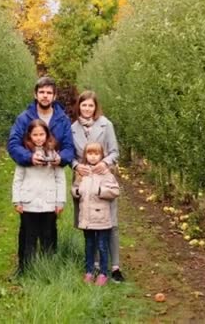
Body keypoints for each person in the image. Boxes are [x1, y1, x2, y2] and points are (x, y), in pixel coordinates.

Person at [7, 76, 73, 272]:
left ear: (54, 96)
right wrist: (29, 157)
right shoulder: (24, 118)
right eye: (42, 92)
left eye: (49, 92)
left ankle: (47, 268)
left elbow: (69, 147)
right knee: (27, 229)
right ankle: (24, 268)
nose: (45, 96)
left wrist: (61, 159)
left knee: (49, 228)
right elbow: (13, 144)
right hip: (31, 180)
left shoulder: (62, 119)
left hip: (51, 178)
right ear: (35, 94)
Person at [71, 90, 125, 283]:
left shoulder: (105, 124)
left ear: (96, 107)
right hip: (83, 179)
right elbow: (71, 154)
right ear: (79, 106)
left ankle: (115, 266)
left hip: (103, 178)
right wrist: (77, 166)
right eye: (83, 105)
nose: (87, 109)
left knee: (110, 221)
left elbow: (114, 151)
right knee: (88, 221)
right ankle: (94, 265)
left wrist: (105, 163)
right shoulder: (73, 128)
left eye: (90, 105)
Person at [12, 119, 66, 274]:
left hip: (49, 202)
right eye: (35, 134)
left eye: (41, 134)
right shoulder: (24, 154)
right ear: (29, 136)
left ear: (47, 135)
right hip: (29, 202)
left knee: (48, 235)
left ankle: (47, 269)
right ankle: (27, 269)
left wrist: (60, 201)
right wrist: (17, 200)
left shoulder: (54, 154)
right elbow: (18, 179)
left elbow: (60, 178)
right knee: (29, 237)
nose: (38, 138)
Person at [72, 142, 120, 286]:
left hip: (101, 218)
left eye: (96, 154)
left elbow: (115, 191)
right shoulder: (82, 173)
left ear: (101, 156)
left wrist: (101, 191)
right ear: (85, 155)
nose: (93, 157)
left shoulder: (106, 173)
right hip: (87, 218)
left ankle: (103, 273)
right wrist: (77, 192)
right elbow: (74, 188)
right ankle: (89, 271)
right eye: (90, 154)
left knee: (102, 245)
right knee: (89, 245)